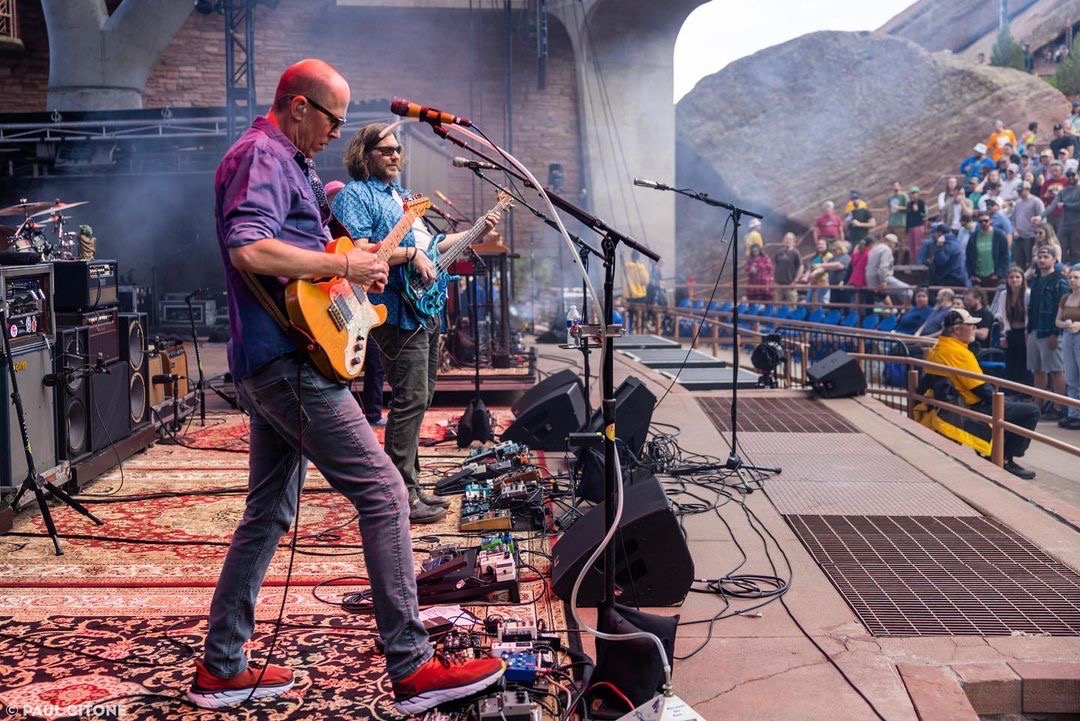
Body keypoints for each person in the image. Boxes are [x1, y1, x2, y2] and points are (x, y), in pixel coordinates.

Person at [196, 59, 505, 712]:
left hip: (281, 356)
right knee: (387, 493)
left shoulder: (294, 163)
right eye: (332, 120)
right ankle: (412, 667)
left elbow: (307, 257)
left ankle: (223, 665)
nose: (336, 134)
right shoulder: (262, 156)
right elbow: (248, 249)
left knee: (269, 511)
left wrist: (358, 266)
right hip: (289, 364)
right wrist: (342, 260)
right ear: (299, 106)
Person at [333, 122, 502, 523]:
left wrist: (475, 232)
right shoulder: (356, 196)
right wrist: (409, 256)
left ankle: (411, 485)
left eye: (397, 150)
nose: (395, 156)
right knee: (409, 398)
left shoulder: (407, 198)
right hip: (391, 307)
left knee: (421, 397)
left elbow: (433, 247)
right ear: (365, 155)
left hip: (425, 308)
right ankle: (399, 493)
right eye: (385, 150)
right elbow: (360, 253)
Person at [926, 308, 1040, 478]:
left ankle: (996, 454)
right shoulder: (960, 353)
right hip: (968, 408)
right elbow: (982, 391)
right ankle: (1003, 459)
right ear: (957, 330)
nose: (974, 328)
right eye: (970, 325)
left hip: (950, 405)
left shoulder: (939, 346)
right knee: (1030, 411)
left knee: (1012, 407)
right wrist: (1003, 399)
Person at [1028, 245, 1070, 419]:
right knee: (1037, 370)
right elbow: (1031, 308)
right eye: (1040, 256)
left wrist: (1056, 333)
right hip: (1034, 329)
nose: (1042, 259)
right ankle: (1037, 407)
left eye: (1046, 256)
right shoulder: (1036, 281)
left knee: (1056, 370)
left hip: (1050, 331)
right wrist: (1028, 330)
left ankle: (1058, 407)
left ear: (1054, 259)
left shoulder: (1060, 280)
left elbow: (1062, 308)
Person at [991, 266, 1032, 388]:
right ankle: (1012, 391)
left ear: (1022, 279)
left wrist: (1027, 332)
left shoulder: (1027, 294)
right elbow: (1001, 316)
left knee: (1023, 363)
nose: (1014, 280)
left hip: (1024, 332)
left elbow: (1029, 316)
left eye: (1017, 277)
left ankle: (1024, 391)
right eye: (1011, 277)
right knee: (1010, 362)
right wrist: (1003, 336)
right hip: (1010, 332)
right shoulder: (1004, 295)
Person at [1040, 168, 1080, 265]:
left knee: (1076, 251)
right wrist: (1040, 216)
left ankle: (1076, 272)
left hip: (1077, 224)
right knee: (1061, 248)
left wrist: (1065, 205)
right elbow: (1053, 205)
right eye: (1068, 175)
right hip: (1065, 224)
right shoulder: (1063, 191)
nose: (1070, 177)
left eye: (1073, 175)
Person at [1056, 265, 1080, 428]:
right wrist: (1065, 323)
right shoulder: (1065, 297)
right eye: (1070, 277)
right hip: (1067, 336)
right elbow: (1057, 320)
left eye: (1076, 277)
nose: (1072, 280)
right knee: (1071, 377)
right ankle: (1074, 413)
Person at [966, 212, 1008, 288]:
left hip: (994, 277)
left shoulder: (999, 235)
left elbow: (1005, 256)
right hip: (978, 278)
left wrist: (999, 274)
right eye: (981, 221)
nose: (984, 223)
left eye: (986, 220)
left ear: (991, 221)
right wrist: (971, 275)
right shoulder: (973, 237)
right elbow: (968, 257)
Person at [1011, 180, 1045, 271]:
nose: (1019, 193)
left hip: (1031, 236)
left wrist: (1038, 234)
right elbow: (1013, 219)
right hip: (1019, 236)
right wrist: (1014, 230)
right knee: (1019, 261)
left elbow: (1042, 218)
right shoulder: (1018, 203)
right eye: (1018, 191)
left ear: (1027, 189)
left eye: (1020, 191)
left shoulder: (1036, 202)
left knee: (1031, 261)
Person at [926, 222, 969, 288]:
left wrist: (939, 246)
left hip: (951, 279)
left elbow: (940, 260)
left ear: (939, 233)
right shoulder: (956, 242)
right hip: (960, 277)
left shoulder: (947, 244)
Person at [800, 236, 832, 306]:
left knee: (822, 301)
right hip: (813, 282)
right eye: (819, 244)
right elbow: (810, 268)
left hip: (823, 282)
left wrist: (813, 274)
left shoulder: (828, 255)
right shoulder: (816, 256)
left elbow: (824, 268)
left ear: (826, 246)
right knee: (809, 300)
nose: (820, 246)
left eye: (822, 244)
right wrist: (805, 276)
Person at [772, 232, 803, 304]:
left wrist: (795, 281)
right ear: (783, 240)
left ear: (793, 241)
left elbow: (801, 267)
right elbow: (774, 266)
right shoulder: (778, 252)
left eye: (789, 239)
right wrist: (773, 279)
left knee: (792, 305)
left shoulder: (795, 253)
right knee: (777, 305)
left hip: (790, 284)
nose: (787, 241)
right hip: (778, 284)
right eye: (786, 239)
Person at [962, 286, 995, 352]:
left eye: (969, 300)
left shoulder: (985, 314)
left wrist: (966, 328)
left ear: (978, 299)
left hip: (977, 347)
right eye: (965, 300)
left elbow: (983, 335)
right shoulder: (967, 312)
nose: (966, 303)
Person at [905, 186, 927, 265]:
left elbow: (924, 214)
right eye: (912, 193)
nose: (913, 195)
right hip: (911, 226)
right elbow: (907, 216)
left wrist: (917, 210)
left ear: (918, 194)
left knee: (918, 244)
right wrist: (906, 228)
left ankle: (918, 261)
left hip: (918, 225)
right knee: (911, 245)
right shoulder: (909, 204)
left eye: (915, 193)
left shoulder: (922, 203)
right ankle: (912, 261)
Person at [886, 182, 908, 252]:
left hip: (900, 222)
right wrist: (887, 220)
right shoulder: (890, 198)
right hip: (891, 222)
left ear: (900, 187)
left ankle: (900, 261)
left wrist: (899, 208)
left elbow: (908, 208)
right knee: (889, 241)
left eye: (897, 185)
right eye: (894, 185)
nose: (895, 187)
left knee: (900, 242)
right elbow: (888, 209)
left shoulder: (904, 196)